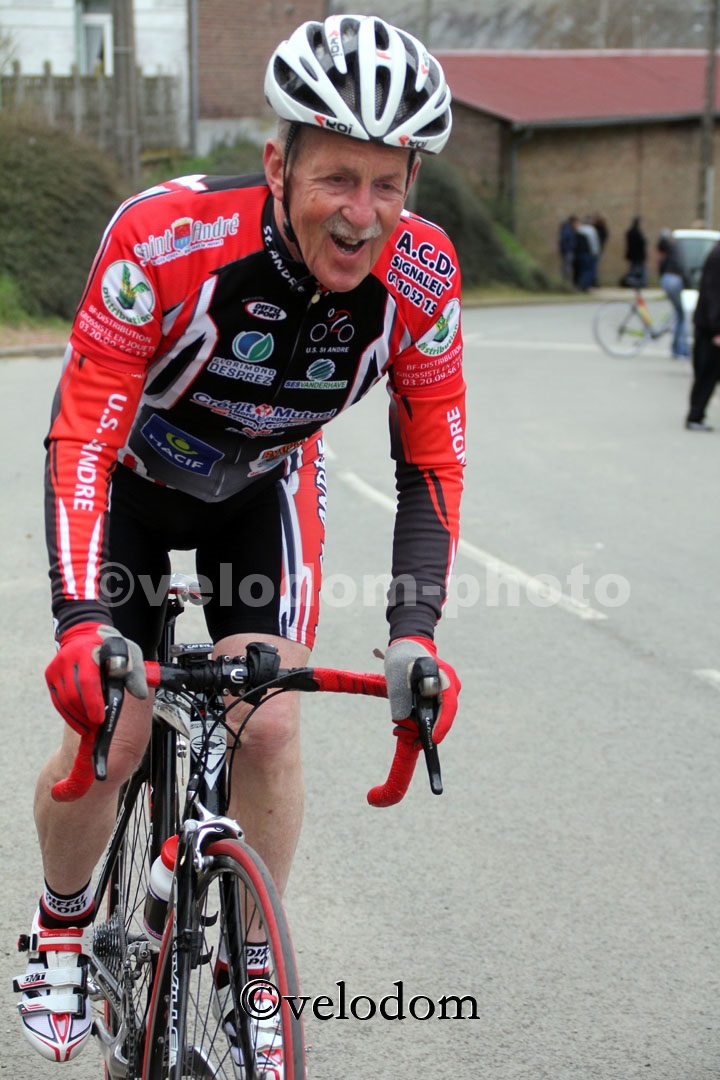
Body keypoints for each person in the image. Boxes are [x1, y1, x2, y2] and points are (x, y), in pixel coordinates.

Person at [13, 14, 464, 1064]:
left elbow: (430, 463)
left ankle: (251, 958)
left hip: (260, 489)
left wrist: (416, 632)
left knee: (266, 723)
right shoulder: (165, 239)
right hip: (128, 483)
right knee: (117, 729)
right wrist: (82, 621)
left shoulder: (425, 279)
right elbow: (81, 437)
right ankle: (63, 925)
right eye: (336, 177)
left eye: (387, 184)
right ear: (277, 165)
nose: (361, 213)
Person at [686, 238, 720, 430]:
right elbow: (714, 293)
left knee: (706, 373)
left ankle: (696, 415)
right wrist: (717, 328)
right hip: (711, 328)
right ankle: (695, 416)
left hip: (708, 325)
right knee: (706, 374)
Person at [657, 233, 689, 359]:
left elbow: (661, 267)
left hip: (666, 279)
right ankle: (679, 349)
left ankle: (677, 348)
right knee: (681, 316)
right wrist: (688, 283)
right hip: (674, 280)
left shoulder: (669, 252)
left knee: (677, 314)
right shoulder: (677, 249)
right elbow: (682, 266)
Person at [623, 215, 647, 287]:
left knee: (633, 270)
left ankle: (634, 282)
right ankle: (640, 283)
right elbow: (641, 243)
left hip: (633, 255)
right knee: (639, 270)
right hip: (638, 255)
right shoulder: (637, 233)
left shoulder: (630, 232)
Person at [558, 215, 576, 282]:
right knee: (566, 267)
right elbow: (564, 241)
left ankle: (564, 280)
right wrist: (568, 249)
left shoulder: (568, 229)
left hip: (567, 250)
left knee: (566, 266)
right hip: (568, 251)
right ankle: (564, 281)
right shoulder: (567, 230)